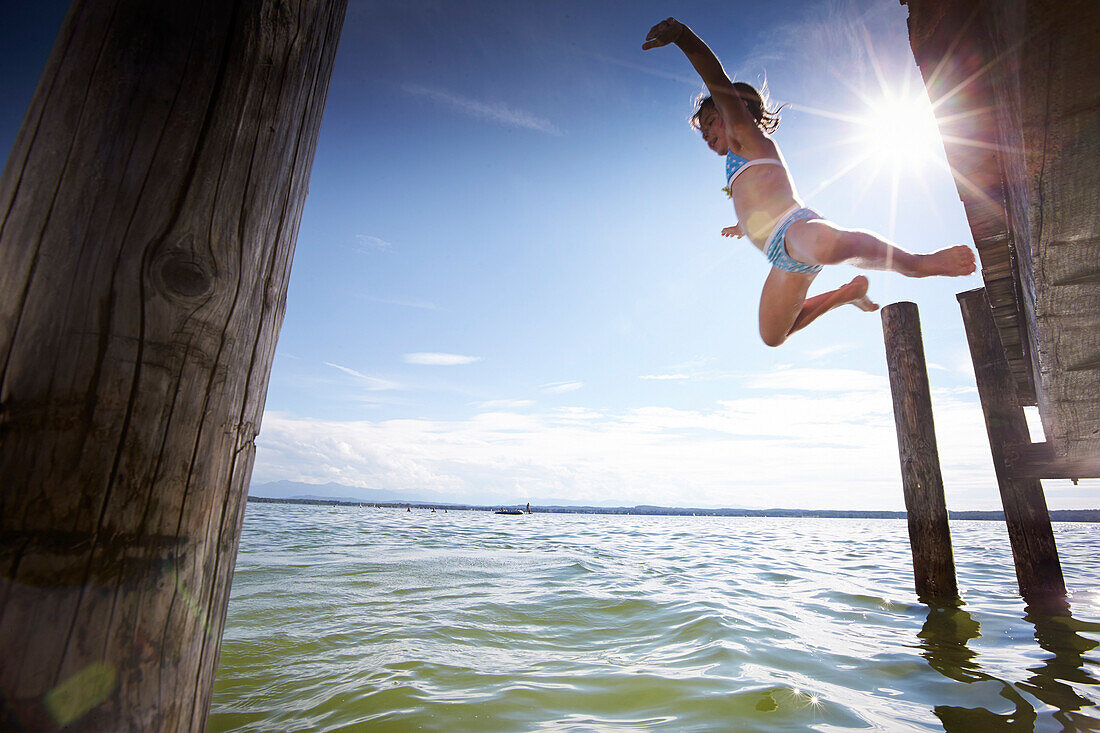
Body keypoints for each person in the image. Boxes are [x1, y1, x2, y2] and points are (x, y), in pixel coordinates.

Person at [642, 18, 975, 346]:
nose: (708, 134)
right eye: (704, 133)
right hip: (780, 257)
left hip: (796, 230)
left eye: (712, 122)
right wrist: (743, 225)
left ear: (737, 111)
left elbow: (715, 79)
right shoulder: (735, 163)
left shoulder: (746, 136)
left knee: (823, 246)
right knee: (773, 335)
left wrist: (682, 36)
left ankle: (916, 264)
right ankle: (847, 295)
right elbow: (758, 201)